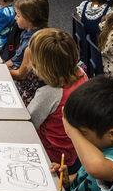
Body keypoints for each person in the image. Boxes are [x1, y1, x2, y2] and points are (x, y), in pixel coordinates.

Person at [27, 28, 88, 173]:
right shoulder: (81, 73)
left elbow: (28, 125)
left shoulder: (50, 92)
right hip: (73, 151)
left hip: (53, 157)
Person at [4, 0, 48, 106]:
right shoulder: (26, 33)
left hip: (28, 86)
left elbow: (21, 75)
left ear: (30, 19)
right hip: (21, 72)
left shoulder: (32, 45)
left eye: (18, 16)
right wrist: (1, 66)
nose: (15, 18)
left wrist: (0, 71)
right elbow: (16, 59)